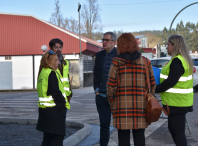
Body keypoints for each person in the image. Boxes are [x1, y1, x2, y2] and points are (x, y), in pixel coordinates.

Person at [106, 33, 156, 146]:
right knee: (139, 138)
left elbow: (110, 86)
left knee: (123, 139)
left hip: (121, 106)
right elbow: (152, 85)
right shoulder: (145, 61)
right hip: (141, 106)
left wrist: (112, 102)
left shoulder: (116, 62)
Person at [155, 35, 193, 146]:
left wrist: (155, 88)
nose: (167, 47)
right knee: (174, 130)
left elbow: (170, 82)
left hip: (176, 103)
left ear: (174, 46)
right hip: (179, 102)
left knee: (177, 132)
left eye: (168, 45)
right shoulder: (183, 59)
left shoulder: (177, 61)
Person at [36, 50, 70, 146]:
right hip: (54, 111)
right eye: (56, 61)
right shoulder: (51, 73)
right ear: (50, 62)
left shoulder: (43, 72)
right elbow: (56, 92)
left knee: (47, 138)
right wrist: (63, 105)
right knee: (58, 138)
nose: (58, 63)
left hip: (45, 111)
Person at [93, 32, 117, 146]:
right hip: (101, 96)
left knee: (120, 124)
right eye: (103, 40)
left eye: (107, 40)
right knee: (104, 124)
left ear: (114, 42)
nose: (104, 42)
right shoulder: (99, 55)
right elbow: (96, 74)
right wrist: (96, 90)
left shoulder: (119, 55)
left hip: (116, 97)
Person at [38, 38, 72, 113]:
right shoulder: (46, 63)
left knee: (61, 122)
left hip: (64, 98)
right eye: (56, 47)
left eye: (60, 47)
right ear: (51, 48)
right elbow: (41, 78)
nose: (58, 49)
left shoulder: (65, 62)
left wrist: (68, 94)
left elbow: (66, 79)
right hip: (53, 99)